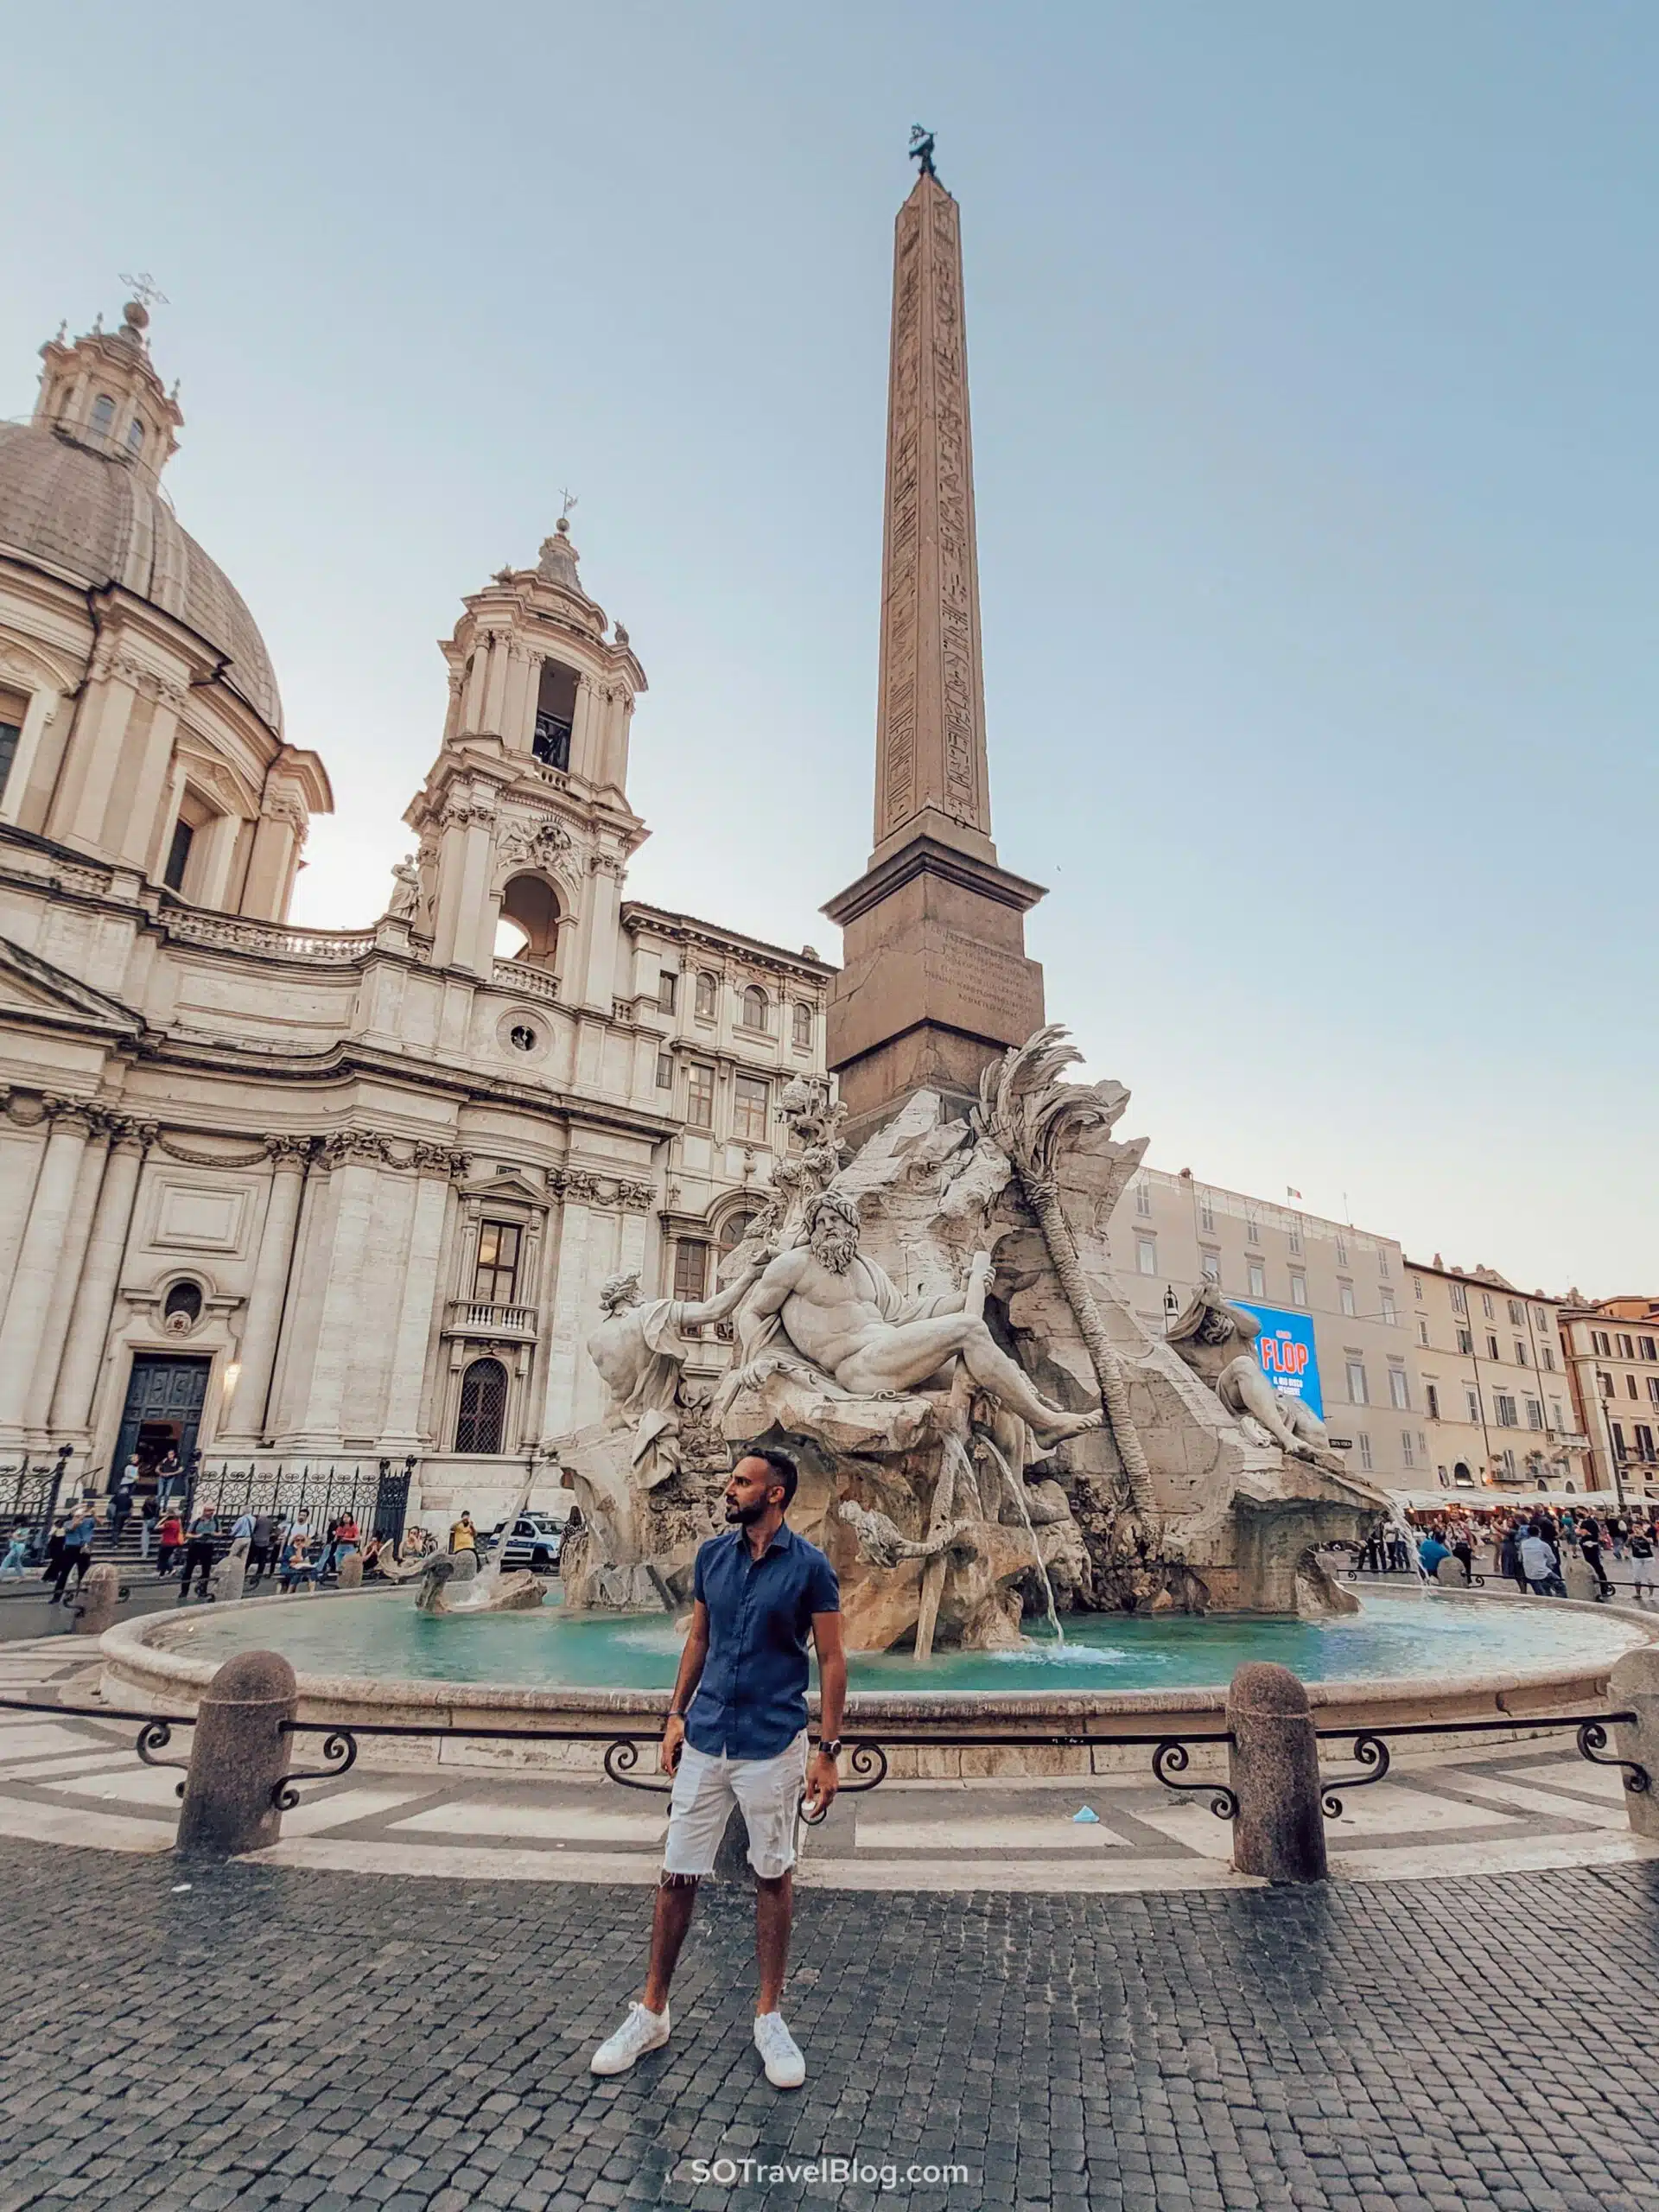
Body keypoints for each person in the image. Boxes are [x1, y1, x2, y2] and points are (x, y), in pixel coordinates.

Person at [590, 1449, 844, 2092]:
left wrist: (828, 1750)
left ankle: (769, 2015)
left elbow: (834, 1661)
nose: (728, 1489)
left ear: (776, 1494)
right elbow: (698, 1638)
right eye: (731, 1479)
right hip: (706, 1737)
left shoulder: (811, 1567)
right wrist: (675, 1715)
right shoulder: (712, 1558)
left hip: (772, 1741)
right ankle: (651, 2010)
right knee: (676, 1872)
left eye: (741, 1482)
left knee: (773, 1874)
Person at [49, 1506, 98, 1604]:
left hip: (84, 1549)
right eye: (78, 1515)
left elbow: (100, 1523)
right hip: (71, 1549)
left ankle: (81, 1595)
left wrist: (94, 1514)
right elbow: (72, 1528)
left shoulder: (89, 1521)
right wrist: (78, 1520)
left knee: (83, 1574)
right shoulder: (67, 1523)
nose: (80, 1516)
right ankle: (57, 1596)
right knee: (64, 1573)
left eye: (81, 1514)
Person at [177, 1509, 219, 1604]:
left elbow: (220, 1532)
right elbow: (187, 1534)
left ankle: (203, 1590)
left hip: (208, 1546)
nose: (211, 1513)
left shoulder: (215, 1521)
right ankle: (184, 1591)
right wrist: (198, 1536)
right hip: (196, 1546)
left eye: (212, 1511)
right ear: (204, 1512)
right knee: (188, 1569)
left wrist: (214, 1534)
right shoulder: (196, 1522)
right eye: (209, 1511)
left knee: (206, 1570)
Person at [1519, 1522, 1562, 1598]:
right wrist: (1547, 1563)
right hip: (1543, 1572)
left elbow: (1520, 1558)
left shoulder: (1523, 1544)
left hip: (1529, 1573)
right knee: (1561, 1586)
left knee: (1540, 1594)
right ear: (1539, 1533)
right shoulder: (1543, 1545)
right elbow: (1553, 1560)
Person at [1578, 1517, 1614, 1602]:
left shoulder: (1590, 1539)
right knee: (1598, 1572)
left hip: (1593, 1562)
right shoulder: (1587, 1537)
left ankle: (1601, 1590)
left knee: (1597, 1573)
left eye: (1582, 1529)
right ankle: (1602, 1588)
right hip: (1589, 1561)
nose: (1580, 1531)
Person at [279, 1526, 318, 1594]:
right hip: (287, 1568)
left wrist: (299, 1561)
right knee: (297, 1573)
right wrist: (299, 1549)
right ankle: (289, 1593)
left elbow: (307, 1561)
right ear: (294, 1540)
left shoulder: (304, 1549)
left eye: (302, 1540)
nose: (300, 1542)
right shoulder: (289, 1549)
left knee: (313, 1571)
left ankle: (312, 1593)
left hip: (299, 1568)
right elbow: (297, 1559)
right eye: (297, 1540)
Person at [1628, 1522, 1656, 1604]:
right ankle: (1638, 1593)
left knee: (1649, 1577)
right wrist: (1629, 1538)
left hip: (1648, 1558)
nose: (1635, 1529)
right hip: (1636, 1558)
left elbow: (1651, 1542)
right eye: (1634, 1527)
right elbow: (1626, 1545)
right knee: (1637, 1576)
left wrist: (1642, 1535)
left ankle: (1651, 1594)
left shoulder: (1647, 1534)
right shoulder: (1632, 1536)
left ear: (1641, 1527)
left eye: (1637, 1527)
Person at [155, 1508, 184, 1578]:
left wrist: (164, 1519)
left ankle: (167, 1571)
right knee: (167, 1557)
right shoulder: (177, 1523)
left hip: (166, 1543)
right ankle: (166, 1572)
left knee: (162, 1558)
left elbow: (156, 1527)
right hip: (174, 1543)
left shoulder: (168, 1523)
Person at [137, 1493, 158, 1563]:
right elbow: (158, 1515)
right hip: (153, 1522)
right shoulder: (157, 1506)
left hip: (146, 1522)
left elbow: (141, 1514)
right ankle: (143, 1550)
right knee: (147, 1536)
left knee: (145, 1537)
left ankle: (144, 1552)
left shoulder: (145, 1505)